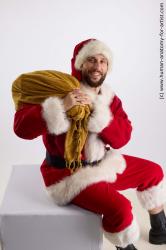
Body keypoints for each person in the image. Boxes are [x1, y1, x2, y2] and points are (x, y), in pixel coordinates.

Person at [13, 38, 166, 250]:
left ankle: (160, 229)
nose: (98, 67)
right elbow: (21, 129)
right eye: (91, 60)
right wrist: (61, 106)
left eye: (103, 61)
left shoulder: (107, 97)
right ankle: (125, 245)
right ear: (79, 63)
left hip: (101, 163)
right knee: (121, 208)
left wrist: (98, 115)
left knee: (154, 171)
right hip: (68, 174)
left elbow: (122, 138)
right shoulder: (57, 89)